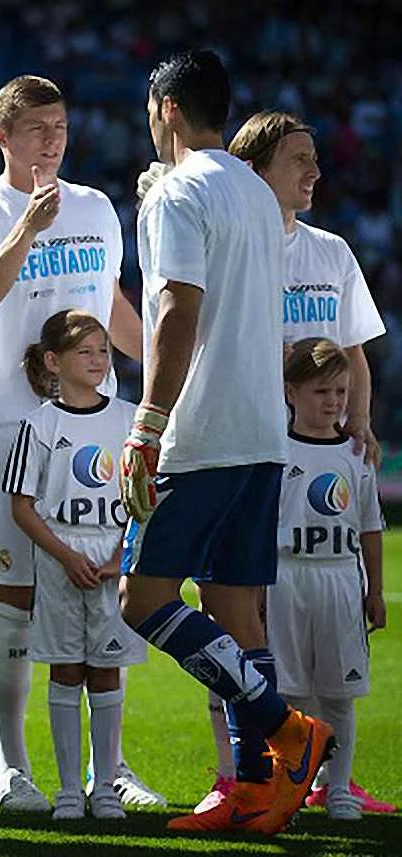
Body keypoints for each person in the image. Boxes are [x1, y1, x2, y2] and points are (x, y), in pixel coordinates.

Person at [118, 50, 333, 835]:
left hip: (201, 430)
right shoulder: (254, 189)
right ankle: (252, 784)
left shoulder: (177, 192)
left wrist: (147, 422)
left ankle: (285, 728)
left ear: (166, 109)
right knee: (237, 611)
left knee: (140, 599)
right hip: (262, 432)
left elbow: (177, 306)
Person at [0, 74, 152, 812]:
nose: (53, 140)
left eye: (60, 127)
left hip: (99, 426)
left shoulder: (95, 206)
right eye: (36, 128)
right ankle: (13, 766)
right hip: (17, 424)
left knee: (104, 590)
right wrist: (27, 226)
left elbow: (114, 304)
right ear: (1, 136)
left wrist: (164, 371)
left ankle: (112, 767)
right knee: (17, 598)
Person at [184, 111, 393, 816]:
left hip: (314, 457)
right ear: (256, 168)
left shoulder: (331, 251)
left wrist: (358, 423)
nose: (314, 173)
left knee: (308, 644)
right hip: (242, 452)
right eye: (299, 159)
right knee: (238, 616)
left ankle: (324, 773)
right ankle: (233, 771)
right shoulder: (227, 245)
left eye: (315, 158)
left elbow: (355, 349)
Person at [5, 310, 146, 821]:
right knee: (65, 670)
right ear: (53, 361)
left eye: (103, 351)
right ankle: (68, 789)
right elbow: (21, 506)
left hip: (112, 564)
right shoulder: (40, 424)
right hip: (60, 565)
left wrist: (118, 556)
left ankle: (104, 786)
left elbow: (144, 499)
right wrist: (65, 556)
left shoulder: (129, 418)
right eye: (85, 351)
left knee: (106, 672)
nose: (97, 360)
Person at [268, 338, 386, 820]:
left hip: (339, 578)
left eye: (341, 391)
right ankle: (290, 790)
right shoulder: (276, 452)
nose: (334, 401)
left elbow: (370, 526)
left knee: (339, 691)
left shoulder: (357, 454)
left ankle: (338, 789)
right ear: (291, 392)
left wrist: (374, 590)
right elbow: (259, 528)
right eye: (322, 392)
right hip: (287, 579)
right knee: (290, 693)